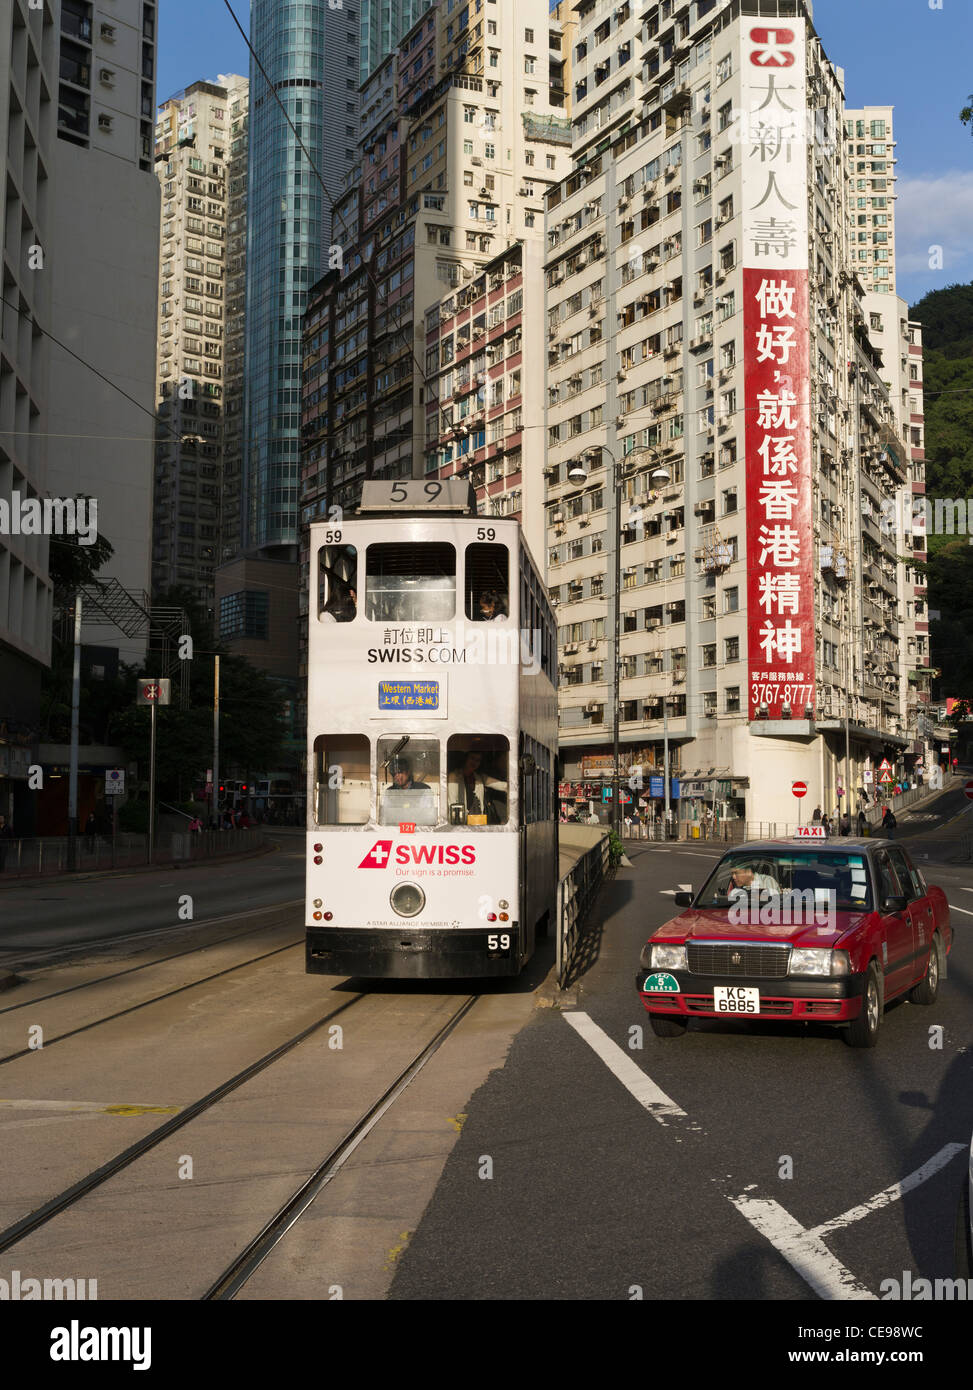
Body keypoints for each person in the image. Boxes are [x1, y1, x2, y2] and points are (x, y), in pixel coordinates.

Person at [447, 749, 507, 821]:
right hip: (461, 822)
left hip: (477, 821)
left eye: (478, 760)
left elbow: (502, 785)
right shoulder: (454, 776)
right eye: (472, 758)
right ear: (466, 759)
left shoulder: (479, 777)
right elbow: (452, 803)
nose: (474, 762)